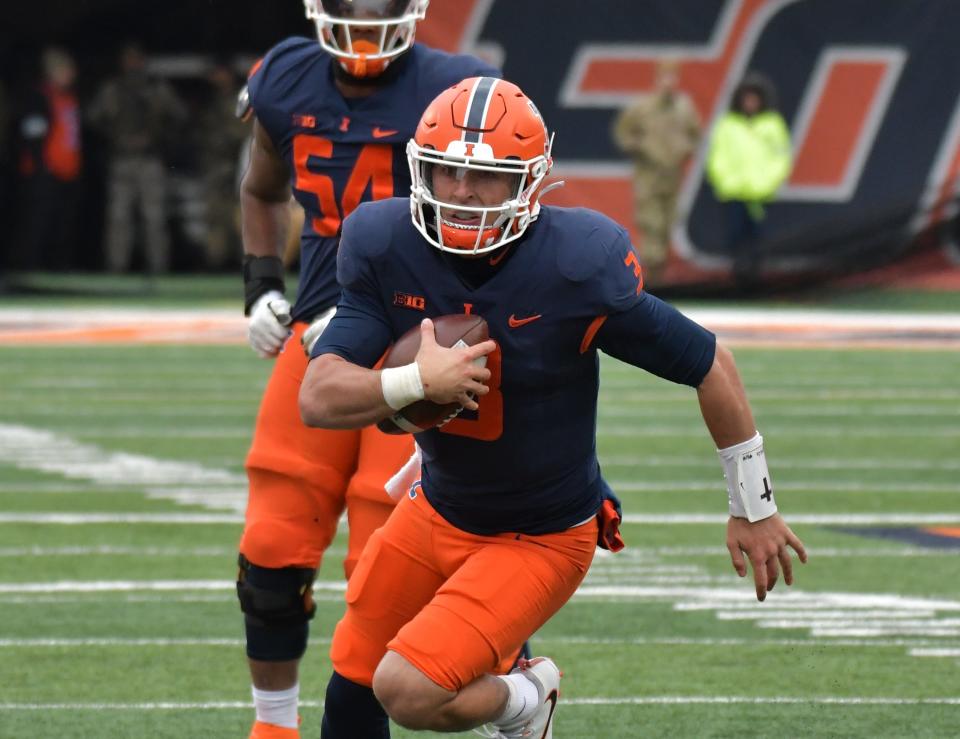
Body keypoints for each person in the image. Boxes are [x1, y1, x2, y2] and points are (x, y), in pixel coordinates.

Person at [300, 76, 808, 739]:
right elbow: (318, 393)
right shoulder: (386, 244)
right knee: (353, 680)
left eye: (487, 178)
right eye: (448, 170)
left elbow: (710, 362)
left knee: (407, 689)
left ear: (532, 182)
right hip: (438, 506)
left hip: (539, 534)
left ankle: (526, 696)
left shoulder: (575, 267)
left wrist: (755, 506)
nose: (462, 192)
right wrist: (412, 383)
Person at [235, 2, 498, 736]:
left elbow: (504, 212)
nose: (366, 26)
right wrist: (261, 282)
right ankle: (274, 726)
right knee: (270, 551)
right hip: (319, 340)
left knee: (386, 567)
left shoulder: (455, 91)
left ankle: (517, 688)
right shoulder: (286, 76)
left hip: (415, 343)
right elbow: (260, 190)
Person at [87, 41, 187, 274]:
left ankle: (158, 267)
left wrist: (159, 137)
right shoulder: (112, 89)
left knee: (154, 216)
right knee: (118, 217)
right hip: (121, 159)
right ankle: (116, 267)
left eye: (136, 58)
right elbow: (93, 119)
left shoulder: (157, 89)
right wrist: (114, 137)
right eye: (128, 59)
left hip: (150, 159)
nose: (132, 64)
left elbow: (180, 117)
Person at [613, 59, 701, 286]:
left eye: (672, 77)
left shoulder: (684, 108)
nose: (668, 83)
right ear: (656, 79)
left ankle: (660, 276)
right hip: (649, 175)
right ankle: (650, 279)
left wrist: (685, 149)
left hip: (672, 175)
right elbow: (624, 132)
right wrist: (639, 147)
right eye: (664, 77)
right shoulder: (643, 108)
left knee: (667, 224)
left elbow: (695, 133)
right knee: (650, 223)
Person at [706, 70, 792, 289]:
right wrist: (726, 181)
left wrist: (767, 183)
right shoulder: (728, 124)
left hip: (760, 194)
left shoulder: (772, 124)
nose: (751, 103)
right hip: (733, 192)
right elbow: (717, 156)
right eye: (747, 98)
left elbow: (781, 157)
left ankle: (757, 276)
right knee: (735, 236)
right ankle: (739, 276)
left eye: (754, 98)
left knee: (759, 237)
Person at [15, 47, 83, 271]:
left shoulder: (69, 98)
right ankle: (29, 268)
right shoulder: (39, 97)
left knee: (62, 224)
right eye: (66, 69)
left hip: (67, 172)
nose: (71, 74)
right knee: (38, 222)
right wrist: (41, 166)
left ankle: (58, 267)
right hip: (44, 172)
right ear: (53, 71)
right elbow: (32, 133)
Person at [197, 60, 250, 271]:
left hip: (239, 163)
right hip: (215, 166)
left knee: (243, 214)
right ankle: (215, 262)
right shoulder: (210, 101)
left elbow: (245, 132)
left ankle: (246, 262)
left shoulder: (241, 98)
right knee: (215, 216)